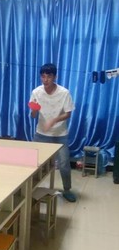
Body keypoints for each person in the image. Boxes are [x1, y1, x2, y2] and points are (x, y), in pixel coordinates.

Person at [29, 63, 76, 202]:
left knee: (64, 164)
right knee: (33, 162)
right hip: (41, 134)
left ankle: (67, 189)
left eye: (49, 76)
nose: (45, 79)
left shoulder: (64, 93)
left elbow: (68, 113)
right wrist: (34, 110)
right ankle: (30, 189)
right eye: (43, 76)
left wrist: (54, 120)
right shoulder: (36, 92)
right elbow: (33, 115)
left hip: (60, 135)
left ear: (55, 77)